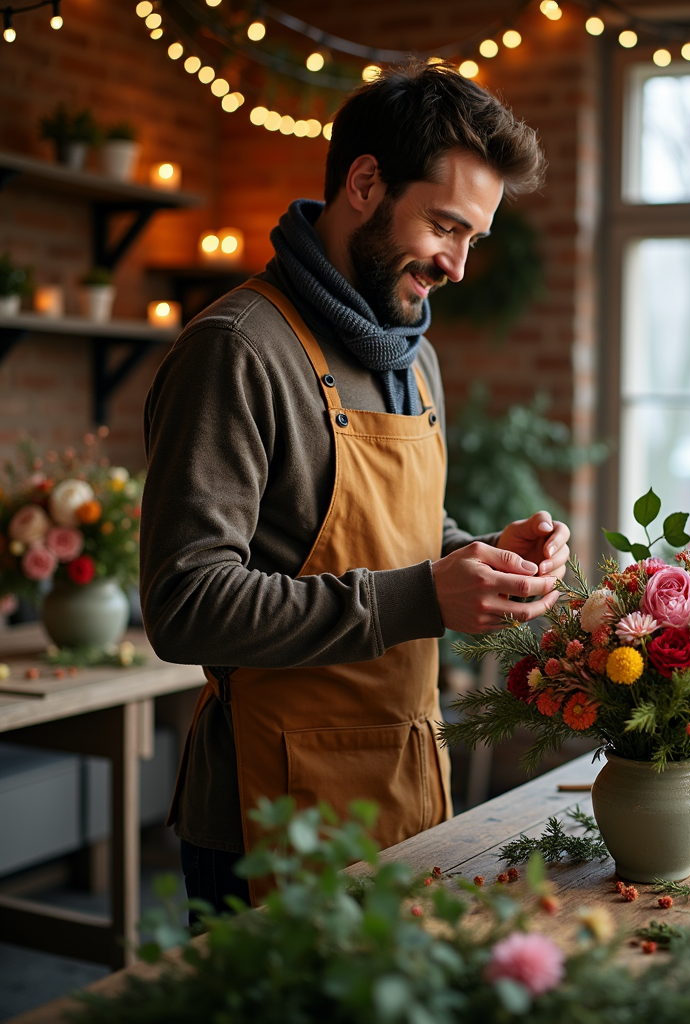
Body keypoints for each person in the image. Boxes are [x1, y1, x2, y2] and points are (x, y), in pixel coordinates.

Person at [140, 61, 567, 915]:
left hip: (405, 789)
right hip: (269, 816)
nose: (456, 264)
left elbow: (406, 533)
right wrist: (419, 596)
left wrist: (477, 557)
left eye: (473, 239)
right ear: (365, 183)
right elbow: (183, 605)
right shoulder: (237, 348)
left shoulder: (413, 352)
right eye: (445, 226)